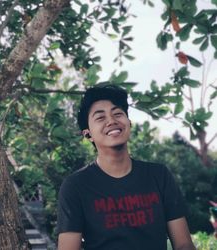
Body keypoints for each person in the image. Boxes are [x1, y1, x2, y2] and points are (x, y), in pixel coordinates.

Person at [57, 84, 196, 250]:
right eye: (100, 118)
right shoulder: (75, 186)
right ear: (88, 134)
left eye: (117, 114)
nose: (111, 121)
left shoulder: (159, 175)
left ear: (128, 122)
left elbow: (183, 244)